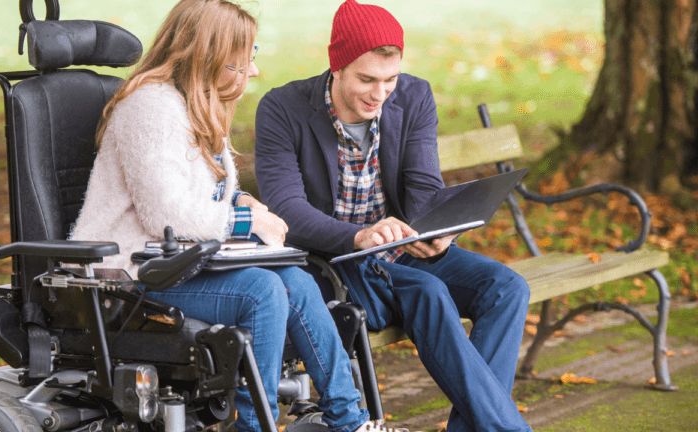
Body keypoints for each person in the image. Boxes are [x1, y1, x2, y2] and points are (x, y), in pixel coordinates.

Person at [69, 1, 389, 431]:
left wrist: (243, 204)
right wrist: (246, 223)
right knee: (261, 290)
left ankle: (352, 421)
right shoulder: (151, 107)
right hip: (127, 273)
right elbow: (165, 213)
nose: (252, 72)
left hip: (178, 262)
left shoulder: (195, 104)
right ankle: (254, 426)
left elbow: (207, 192)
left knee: (295, 279)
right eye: (242, 62)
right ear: (207, 57)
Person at [254, 1, 532, 431]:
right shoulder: (283, 109)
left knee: (506, 287)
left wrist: (440, 231)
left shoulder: (413, 95)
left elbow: (423, 189)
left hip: (400, 247)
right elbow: (287, 210)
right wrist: (361, 236)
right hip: (336, 260)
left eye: (389, 80)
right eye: (366, 79)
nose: (379, 93)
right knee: (429, 290)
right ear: (337, 66)